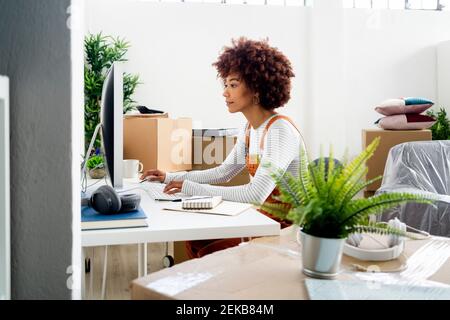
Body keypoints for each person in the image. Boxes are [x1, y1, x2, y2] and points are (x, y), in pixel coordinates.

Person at [141, 37, 304, 258]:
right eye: (225, 84)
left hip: (287, 231)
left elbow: (255, 194)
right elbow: (223, 172)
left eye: (233, 85)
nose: (225, 92)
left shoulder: (279, 130)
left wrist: (188, 188)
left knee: (212, 250)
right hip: (261, 219)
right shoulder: (249, 128)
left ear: (257, 88)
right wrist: (168, 177)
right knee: (196, 239)